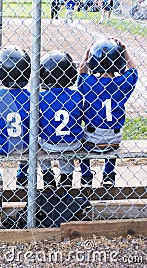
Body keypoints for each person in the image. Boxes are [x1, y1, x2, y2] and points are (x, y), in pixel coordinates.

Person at [78, 38, 137, 188]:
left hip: (92, 139)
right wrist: (124, 50)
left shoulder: (89, 83)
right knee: (112, 142)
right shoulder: (122, 83)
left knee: (80, 143)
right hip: (114, 139)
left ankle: (86, 175)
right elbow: (134, 70)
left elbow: (81, 72)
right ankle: (108, 173)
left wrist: (87, 54)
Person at [0, 46, 31, 190]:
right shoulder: (31, 97)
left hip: (2, 147)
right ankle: (22, 174)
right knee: (31, 136)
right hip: (26, 146)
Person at [38, 50, 83, 189]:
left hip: (49, 144)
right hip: (73, 143)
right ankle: (66, 177)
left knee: (36, 143)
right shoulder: (77, 95)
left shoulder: (40, 97)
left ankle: (47, 174)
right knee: (67, 143)